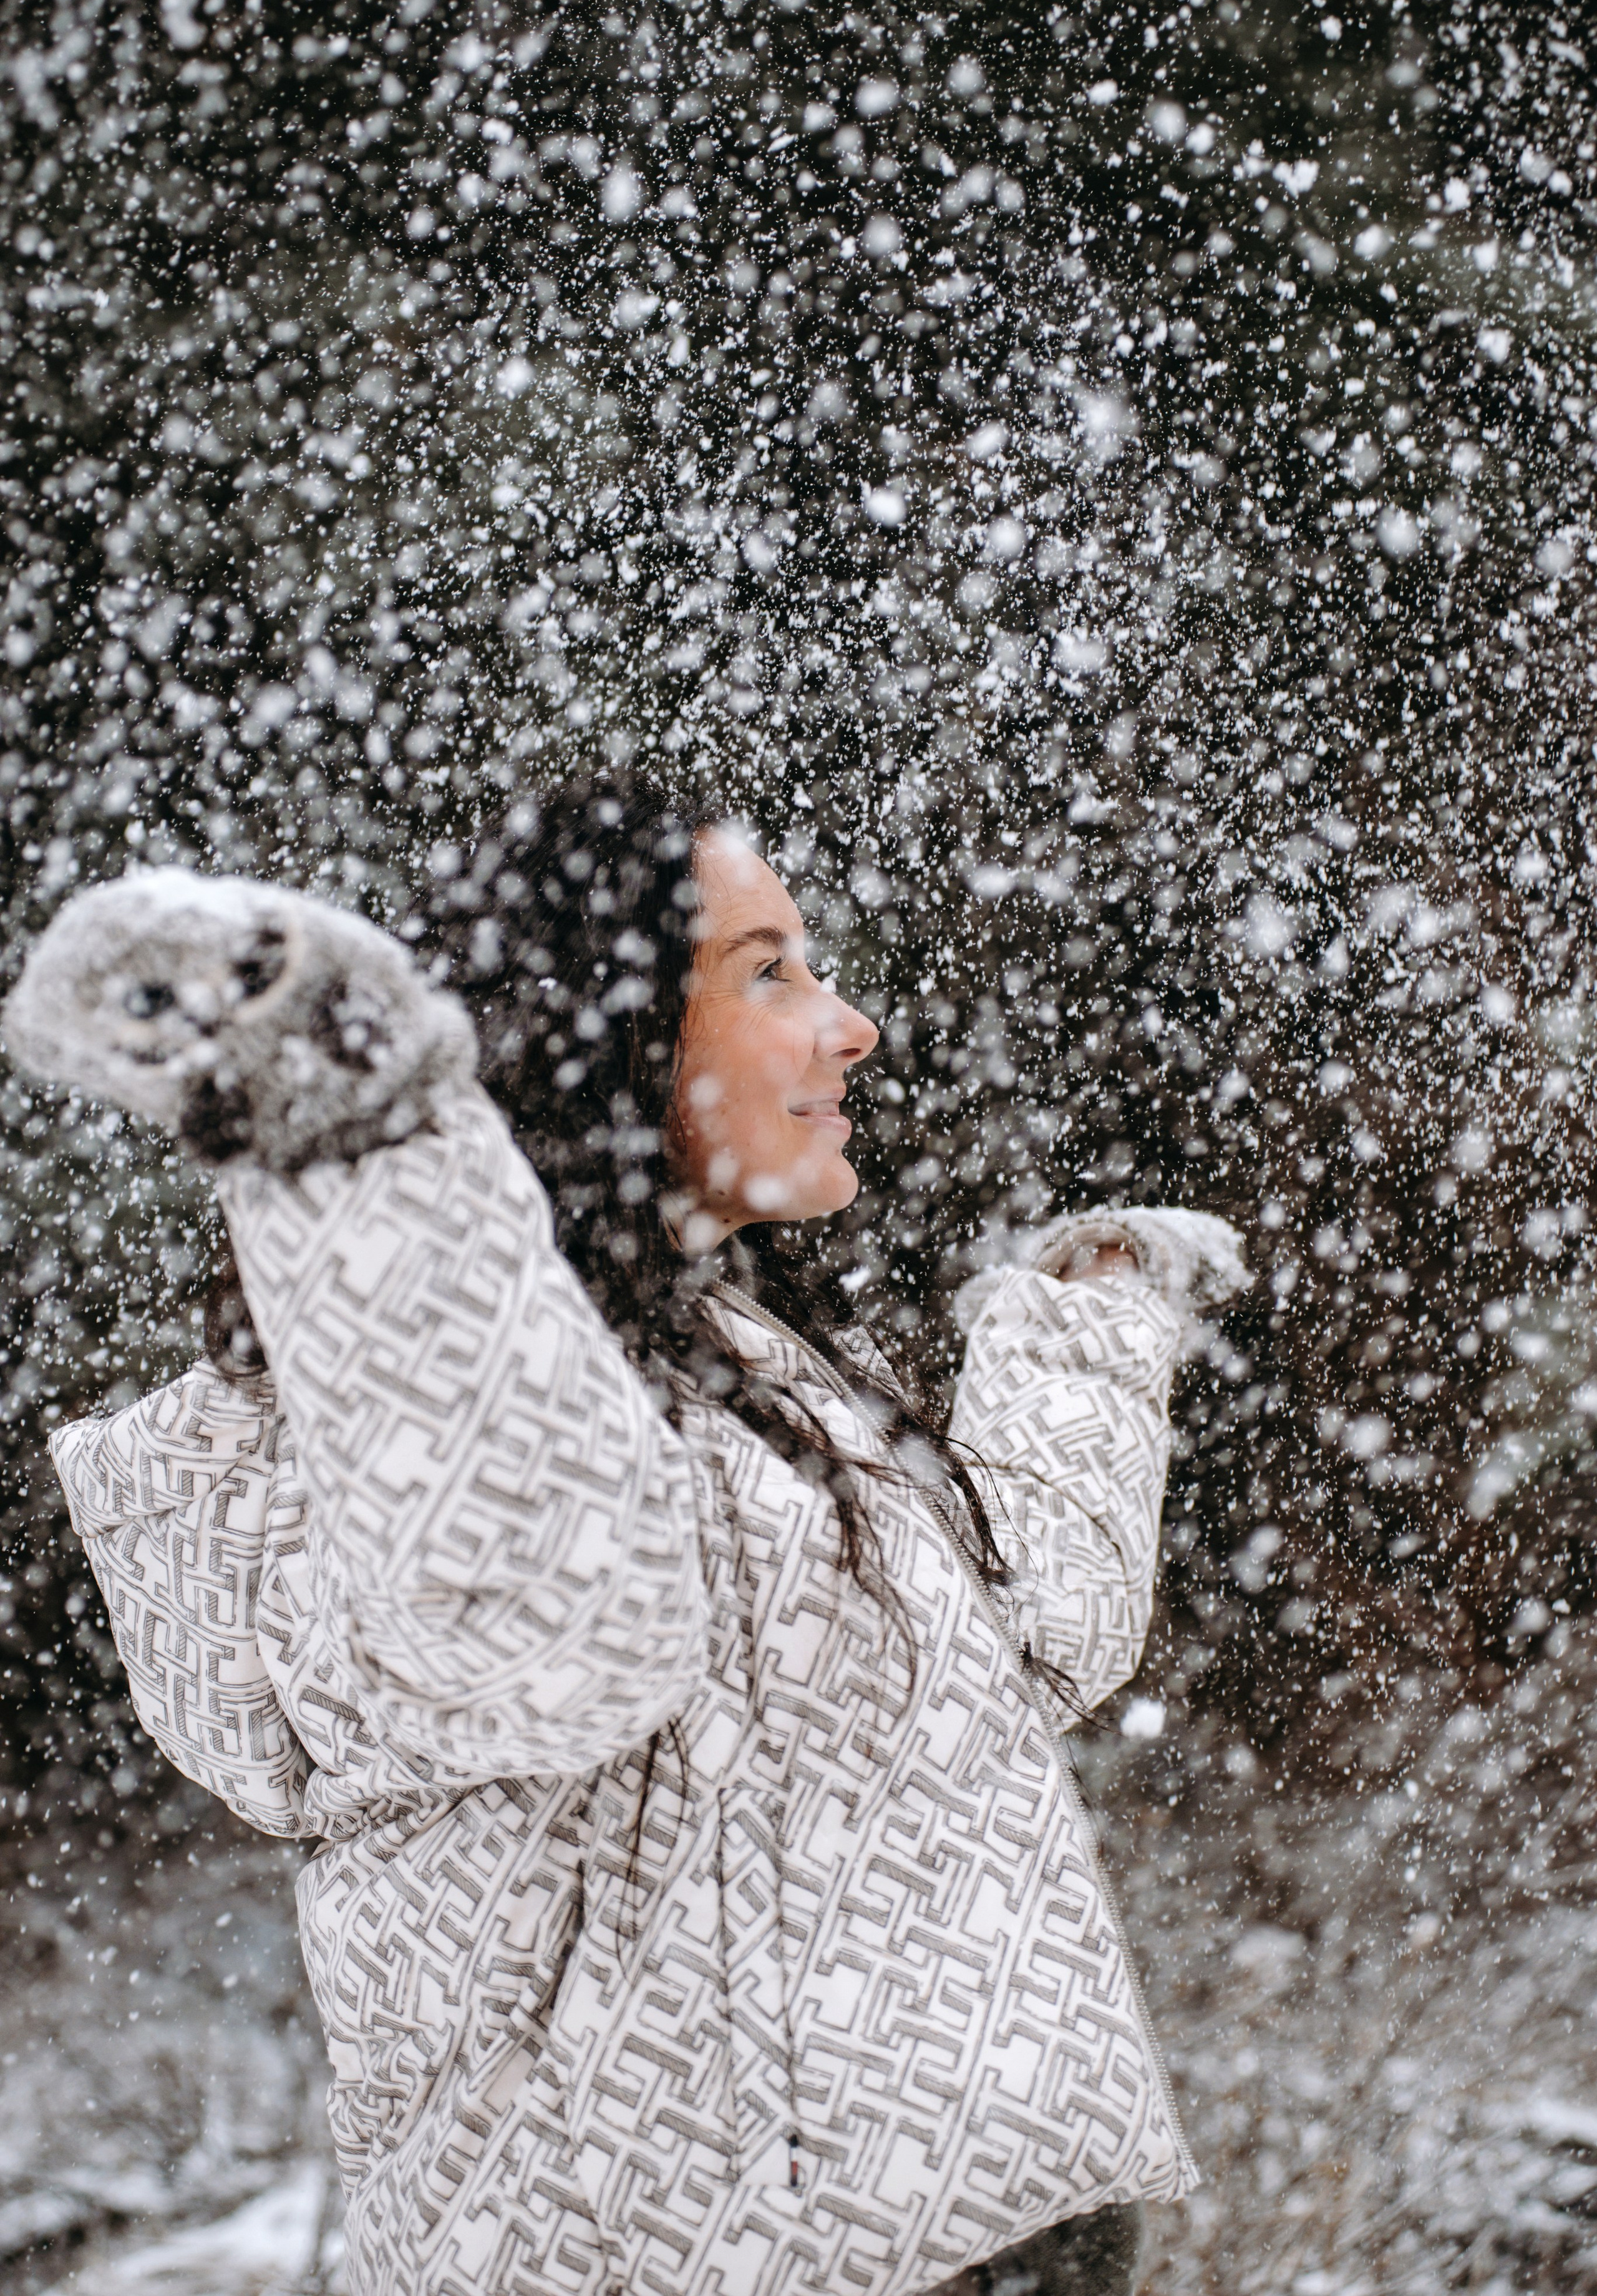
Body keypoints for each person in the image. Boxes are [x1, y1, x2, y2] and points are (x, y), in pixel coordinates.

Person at [4, 775, 1250, 2296]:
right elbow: (545, 1626)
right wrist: (359, 1138)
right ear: (597, 1034)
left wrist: (1076, 1330)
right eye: (768, 972)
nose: (844, 1026)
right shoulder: (424, 1426)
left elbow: (1013, 1649)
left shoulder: (743, 1369)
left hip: (1004, 2240)